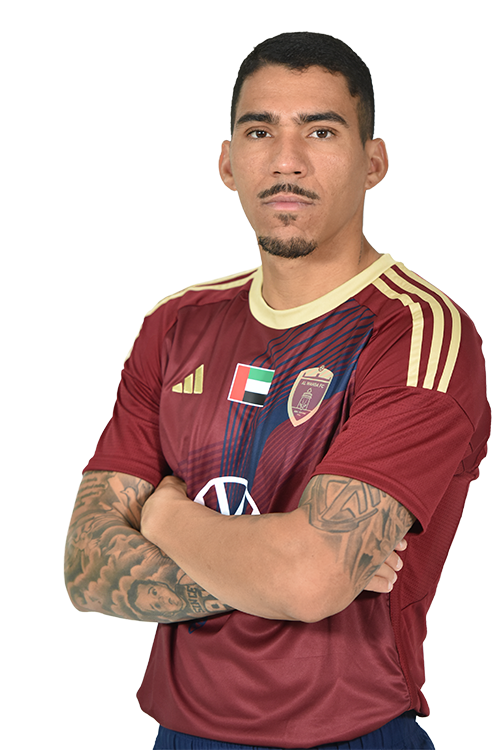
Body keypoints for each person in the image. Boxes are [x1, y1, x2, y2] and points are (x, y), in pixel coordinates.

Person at [63, 32, 491, 750]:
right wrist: (289, 570)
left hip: (355, 734)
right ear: (228, 162)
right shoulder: (174, 323)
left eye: (321, 131)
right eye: (260, 131)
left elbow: (309, 578)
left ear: (373, 162)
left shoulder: (417, 331)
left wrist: (164, 517)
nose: (286, 160)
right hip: (180, 733)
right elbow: (85, 569)